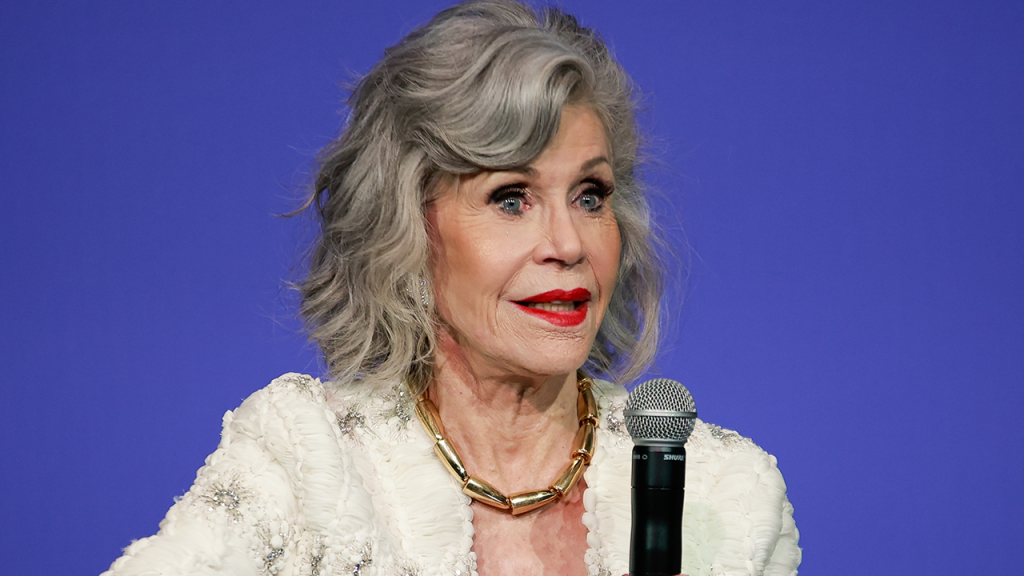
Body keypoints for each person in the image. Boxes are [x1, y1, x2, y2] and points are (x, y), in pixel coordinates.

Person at [103, 1, 800, 575]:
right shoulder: (305, 465)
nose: (568, 245)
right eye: (511, 199)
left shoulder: (723, 493)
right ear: (406, 226)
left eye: (590, 196)